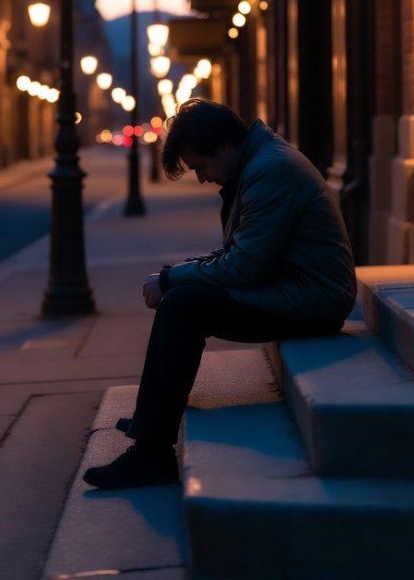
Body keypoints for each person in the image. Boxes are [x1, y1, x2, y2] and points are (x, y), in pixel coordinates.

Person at [83, 98, 357, 490]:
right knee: (181, 296)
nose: (202, 178)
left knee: (182, 305)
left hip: (313, 301)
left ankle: (152, 452)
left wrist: (172, 279)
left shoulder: (270, 170)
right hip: (292, 288)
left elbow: (243, 267)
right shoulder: (257, 163)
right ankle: (153, 420)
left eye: (200, 166)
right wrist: (173, 275)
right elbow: (239, 255)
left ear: (222, 146)